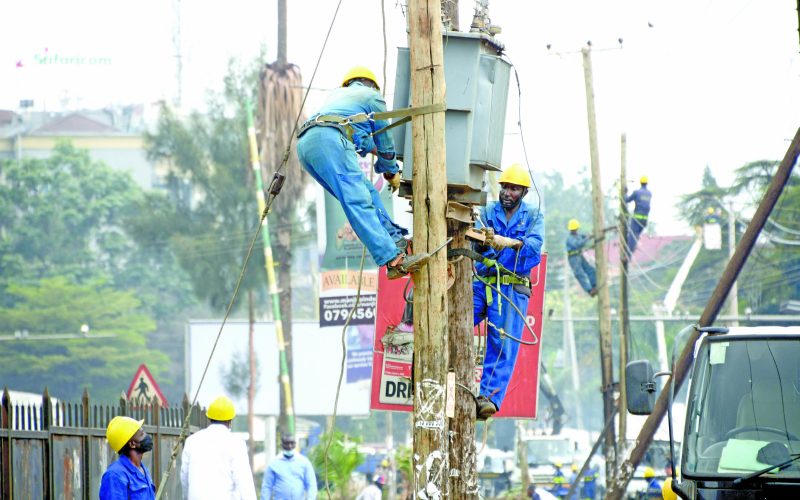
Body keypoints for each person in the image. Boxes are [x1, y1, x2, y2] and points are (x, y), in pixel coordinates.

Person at [296, 66, 427, 280]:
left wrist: (386, 165)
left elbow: (363, 140)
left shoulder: (338, 98)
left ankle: (394, 239)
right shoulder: (372, 96)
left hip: (306, 146)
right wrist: (391, 170)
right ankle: (393, 260)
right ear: (373, 85)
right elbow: (385, 142)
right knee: (357, 200)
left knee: (365, 193)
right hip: (330, 140)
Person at [472, 163, 545, 420]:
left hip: (511, 287)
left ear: (523, 192)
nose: (507, 193)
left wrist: (510, 244)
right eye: (504, 187)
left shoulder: (533, 216)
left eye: (513, 189)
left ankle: (488, 398)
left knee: (501, 341)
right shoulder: (488, 211)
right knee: (455, 319)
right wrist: (486, 244)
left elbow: (534, 248)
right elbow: (475, 239)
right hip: (484, 281)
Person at [180, 395, 256, 499]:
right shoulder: (236, 444)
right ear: (230, 421)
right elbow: (245, 485)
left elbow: (184, 477)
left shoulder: (192, 441)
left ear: (209, 418)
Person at [100, 416, 156, 499]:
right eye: (141, 434)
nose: (146, 436)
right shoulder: (115, 476)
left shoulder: (142, 470)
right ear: (132, 444)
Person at [260, 434, 317, 500]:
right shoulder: (273, 464)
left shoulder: (304, 462)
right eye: (286, 443)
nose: (289, 446)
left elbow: (311, 484)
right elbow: (267, 486)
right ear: (282, 445)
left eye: (292, 443)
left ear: (295, 444)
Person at [565, 219, 597, 297]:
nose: (574, 230)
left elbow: (584, 236)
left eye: (575, 229)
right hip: (573, 258)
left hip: (579, 256)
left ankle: (594, 286)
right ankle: (589, 290)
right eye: (573, 229)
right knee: (579, 274)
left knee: (590, 269)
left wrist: (590, 235)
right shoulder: (569, 239)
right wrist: (587, 238)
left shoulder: (578, 235)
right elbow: (578, 244)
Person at [624, 175, 652, 258]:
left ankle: (627, 256)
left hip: (637, 219)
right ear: (647, 183)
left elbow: (627, 200)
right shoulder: (649, 194)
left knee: (632, 237)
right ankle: (629, 255)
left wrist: (624, 193)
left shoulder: (637, 192)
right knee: (635, 237)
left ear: (640, 183)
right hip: (644, 220)